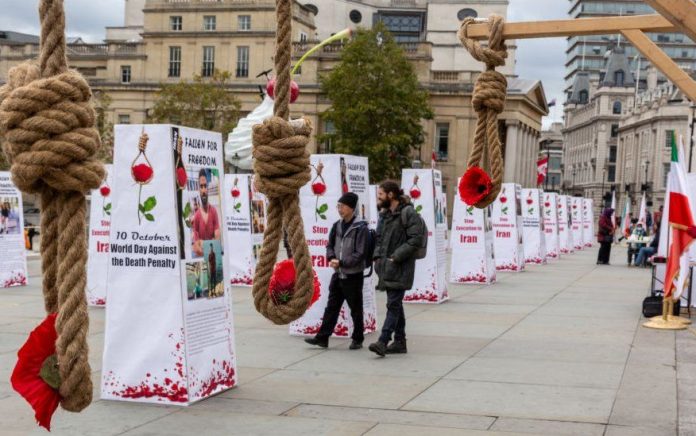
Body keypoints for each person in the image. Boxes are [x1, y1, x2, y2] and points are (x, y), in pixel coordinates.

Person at [305, 192, 368, 350]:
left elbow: (360, 253)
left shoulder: (361, 228)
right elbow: (329, 245)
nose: (340, 209)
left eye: (343, 206)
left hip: (353, 275)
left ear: (351, 208)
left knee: (355, 309)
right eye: (338, 206)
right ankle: (322, 338)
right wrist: (331, 257)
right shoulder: (337, 225)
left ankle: (358, 339)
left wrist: (342, 262)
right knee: (331, 306)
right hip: (338, 274)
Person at [368, 181, 424, 357]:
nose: (379, 198)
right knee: (396, 304)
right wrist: (377, 258)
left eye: (381, 195)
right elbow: (378, 238)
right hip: (385, 267)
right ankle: (400, 342)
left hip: (401, 266)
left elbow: (416, 239)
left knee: (393, 304)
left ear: (391, 195)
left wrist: (396, 257)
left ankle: (383, 341)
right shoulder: (384, 215)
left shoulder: (408, 213)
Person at [192, 169, 221, 256]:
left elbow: (217, 238)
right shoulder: (196, 216)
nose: (204, 190)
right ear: (199, 189)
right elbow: (197, 246)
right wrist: (209, 243)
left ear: (208, 188)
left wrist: (203, 243)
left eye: (205, 186)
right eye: (201, 186)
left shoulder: (213, 211)